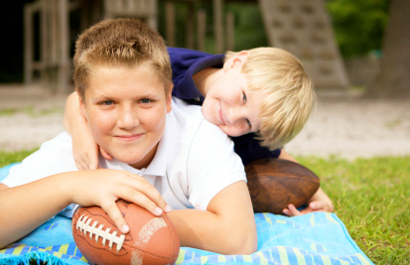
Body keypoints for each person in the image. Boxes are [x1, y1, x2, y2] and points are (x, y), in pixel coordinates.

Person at [0, 18, 257, 254]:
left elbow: (240, 237)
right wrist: (71, 186)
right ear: (82, 106)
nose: (127, 122)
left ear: (168, 98)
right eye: (107, 103)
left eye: (145, 101)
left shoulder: (198, 134)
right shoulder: (72, 151)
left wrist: (132, 220)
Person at [64, 46, 334, 216]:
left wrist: (317, 194)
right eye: (242, 98)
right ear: (236, 62)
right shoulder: (166, 63)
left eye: (248, 122)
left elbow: (277, 155)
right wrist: (81, 132)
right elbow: (80, 97)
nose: (232, 116)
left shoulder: (244, 136)